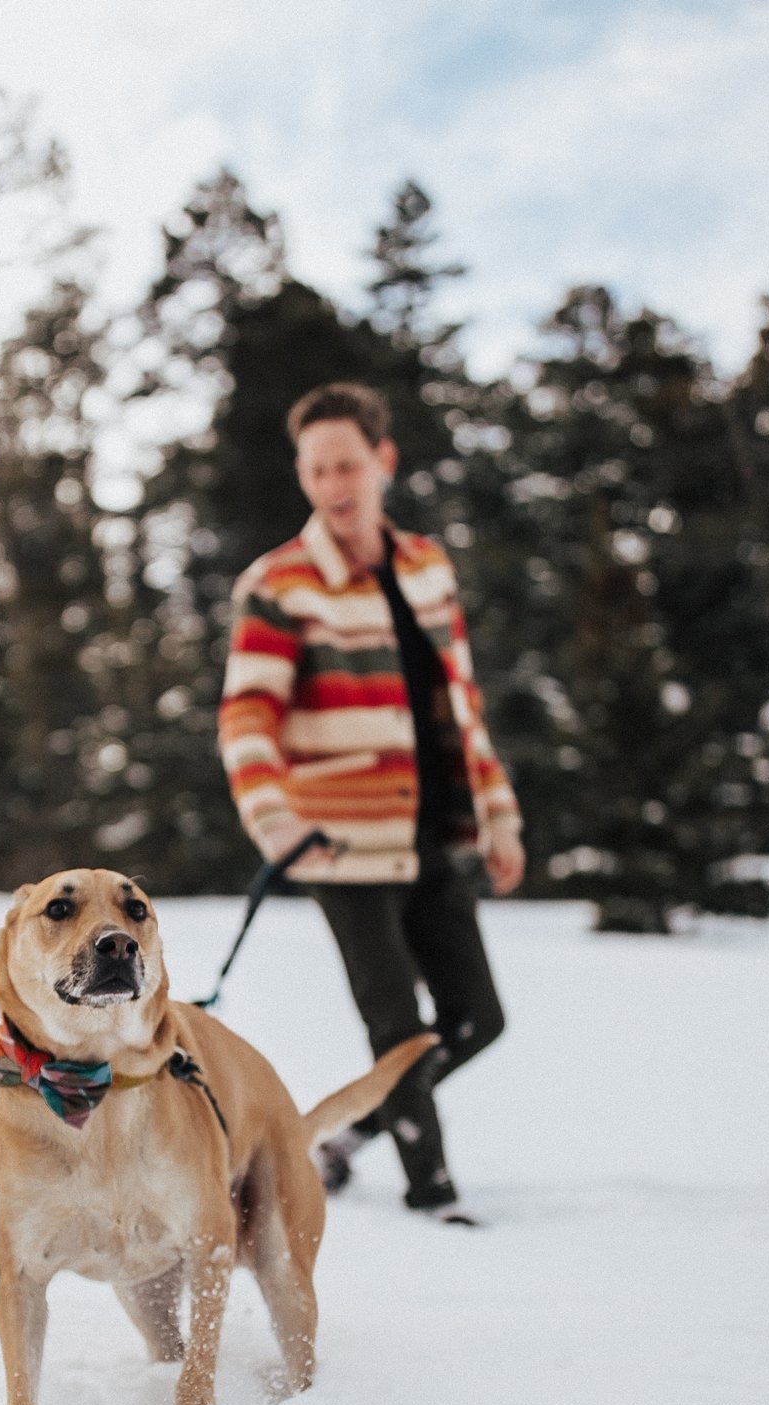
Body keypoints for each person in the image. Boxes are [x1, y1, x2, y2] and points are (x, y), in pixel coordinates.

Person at [217, 382, 524, 1221]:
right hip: (336, 842)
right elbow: (246, 715)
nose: (332, 485)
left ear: (382, 461)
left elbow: (464, 705)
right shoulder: (279, 583)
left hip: (428, 832)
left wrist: (497, 814)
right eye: (315, 471)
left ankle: (347, 1137)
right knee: (395, 1023)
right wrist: (274, 820)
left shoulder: (427, 568)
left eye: (345, 464)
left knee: (476, 1016)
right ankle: (434, 1193)